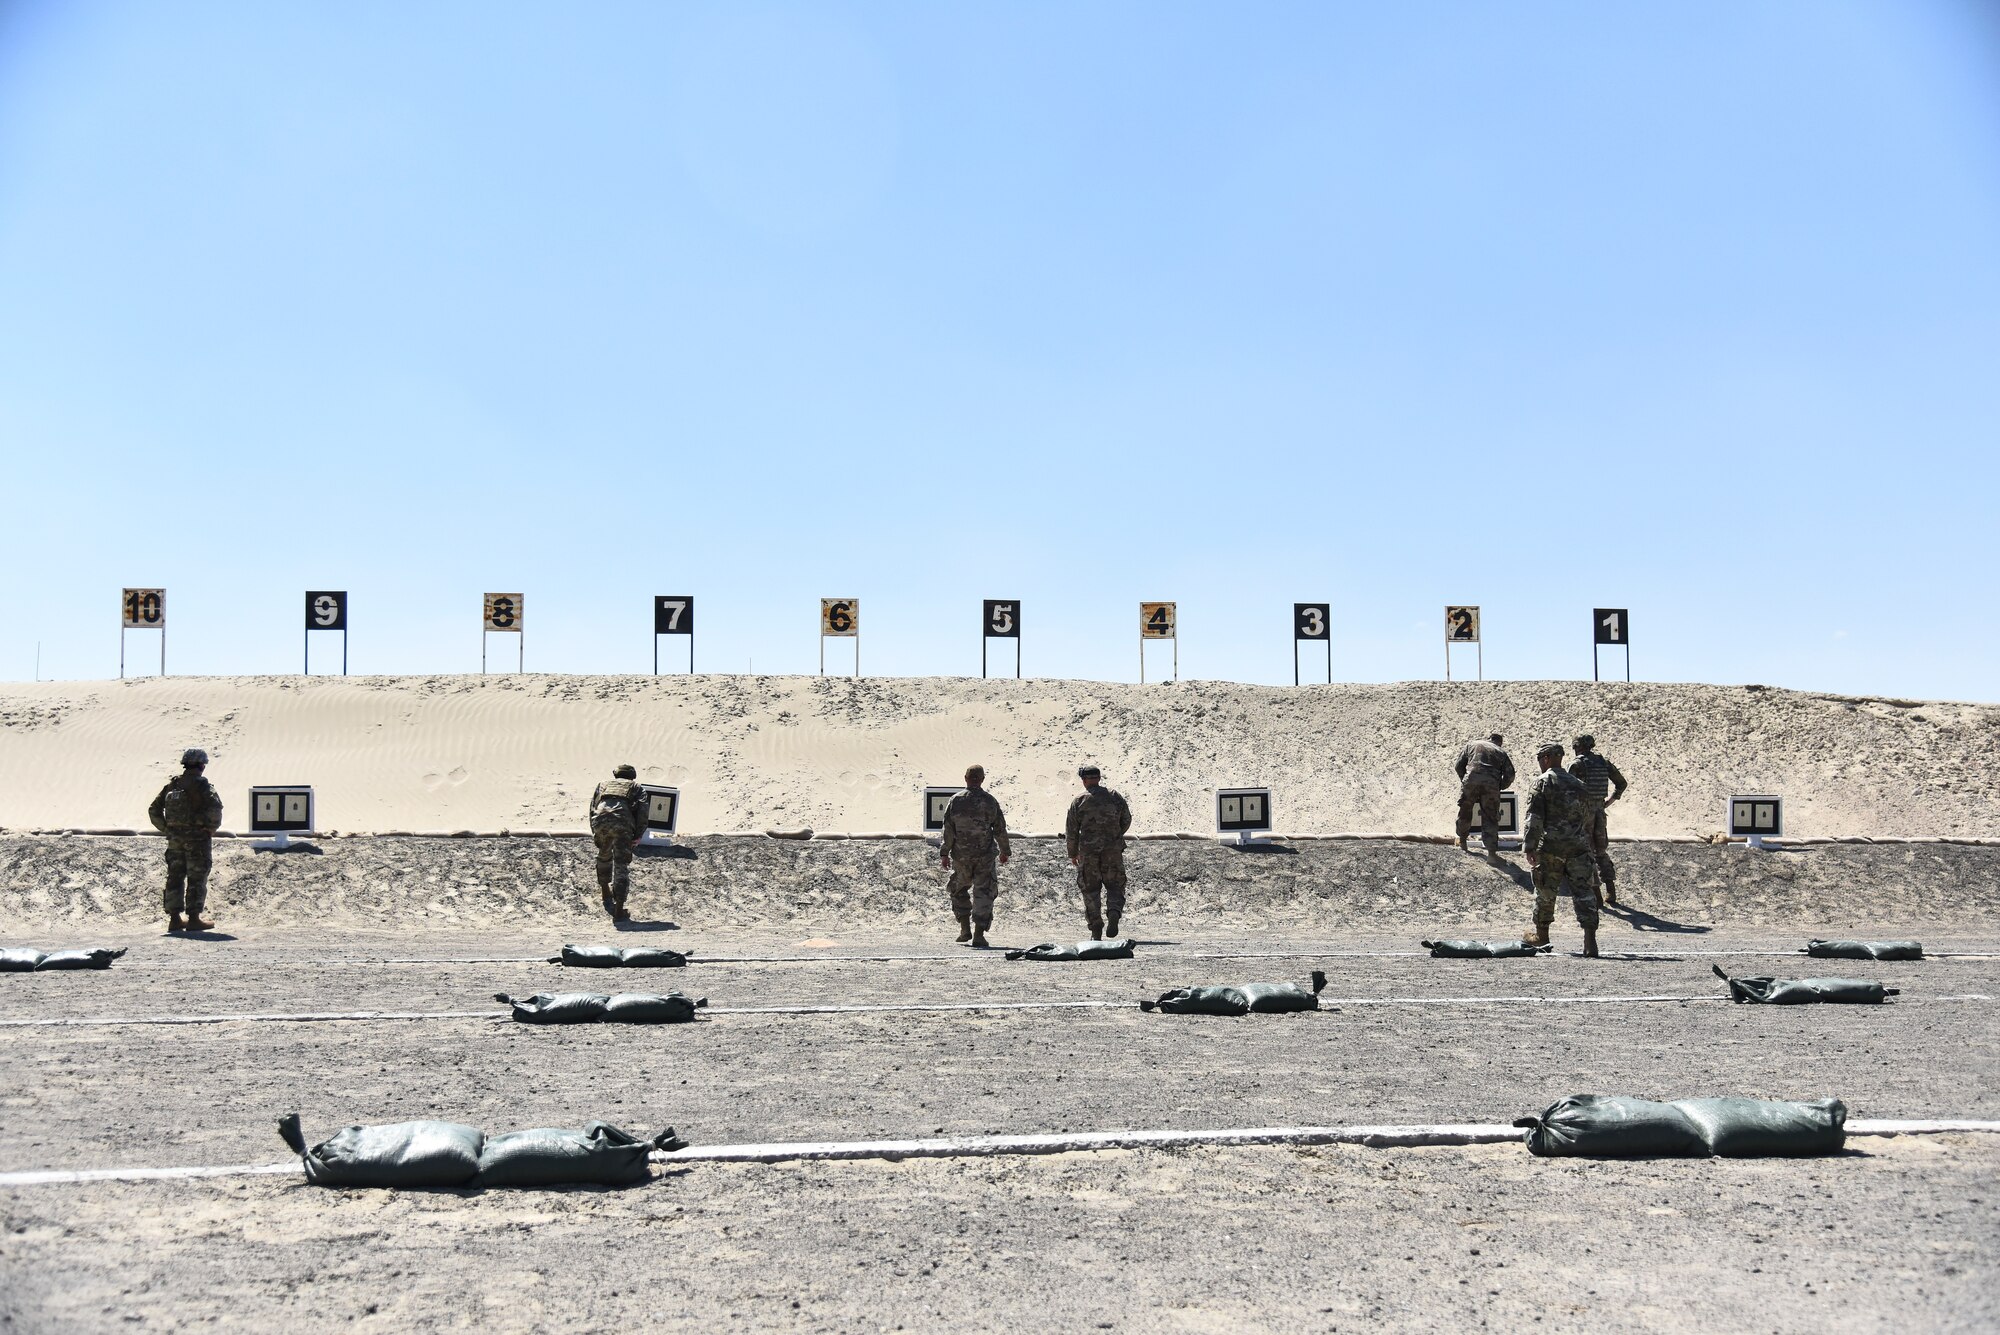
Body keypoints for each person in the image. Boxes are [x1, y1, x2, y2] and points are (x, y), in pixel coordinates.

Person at [1521, 742, 1601, 958]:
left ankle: (1542, 935)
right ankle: (1590, 942)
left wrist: (1529, 846)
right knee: (1584, 892)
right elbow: (1587, 818)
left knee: (1545, 892)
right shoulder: (1579, 784)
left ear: (1546, 758)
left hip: (1551, 848)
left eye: (1540, 759)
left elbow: (1534, 819)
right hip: (1578, 847)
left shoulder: (1542, 782)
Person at [147, 748, 223, 933]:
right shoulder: (203, 786)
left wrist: (167, 829)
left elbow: (153, 810)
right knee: (197, 878)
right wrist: (209, 829)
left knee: (175, 877)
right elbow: (215, 809)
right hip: (197, 840)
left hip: (175, 841)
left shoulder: (172, 786)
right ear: (201, 766)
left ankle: (174, 919)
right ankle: (194, 919)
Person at [940, 765, 1010, 948]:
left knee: (958, 889)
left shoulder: (955, 801)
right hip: (984, 857)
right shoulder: (990, 801)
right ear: (982, 779)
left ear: (966, 778)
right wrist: (1005, 851)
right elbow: (1000, 829)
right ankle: (978, 935)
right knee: (984, 893)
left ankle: (965, 929)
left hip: (961, 856)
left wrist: (944, 853)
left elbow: (948, 829)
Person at [1065, 765, 1133, 939]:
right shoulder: (1114, 796)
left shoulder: (1079, 800)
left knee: (1090, 889)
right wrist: (1114, 835)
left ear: (1084, 780)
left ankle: (1096, 928)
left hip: (1088, 853)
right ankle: (1114, 913)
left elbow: (1071, 831)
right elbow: (1126, 819)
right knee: (1115, 885)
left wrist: (1073, 853)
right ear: (1099, 778)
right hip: (1113, 851)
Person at [1568, 734, 1629, 906]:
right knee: (1601, 851)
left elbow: (1566, 789)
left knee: (1586, 853)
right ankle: (1611, 890)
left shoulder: (1576, 764)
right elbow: (1622, 783)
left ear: (1577, 747)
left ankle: (1596, 894)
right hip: (1600, 811)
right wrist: (1610, 801)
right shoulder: (1603, 762)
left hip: (1584, 813)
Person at [588, 764, 648, 921]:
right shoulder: (636, 787)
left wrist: (595, 830)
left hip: (600, 822)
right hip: (623, 824)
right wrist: (639, 834)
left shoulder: (602, 784)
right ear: (632, 776)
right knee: (621, 863)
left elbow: (592, 807)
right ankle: (619, 909)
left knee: (603, 855)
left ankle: (604, 890)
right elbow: (643, 811)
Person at [1453, 733, 1516, 855]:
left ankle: (1462, 842)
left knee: (1465, 811)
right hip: (1491, 784)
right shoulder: (1500, 752)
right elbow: (1510, 775)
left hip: (1471, 780)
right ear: (1499, 743)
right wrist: (1500, 786)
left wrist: (1465, 780)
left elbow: (1458, 766)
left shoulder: (1472, 744)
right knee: (1490, 816)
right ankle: (1491, 854)